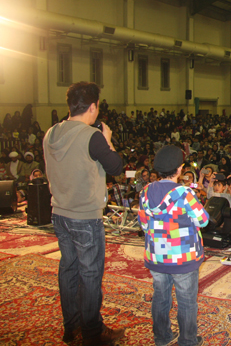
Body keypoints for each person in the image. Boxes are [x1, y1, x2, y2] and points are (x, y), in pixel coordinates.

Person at [43, 82, 124, 346]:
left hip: (59, 212)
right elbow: (116, 167)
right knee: (90, 274)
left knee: (69, 269)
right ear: (93, 107)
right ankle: (92, 333)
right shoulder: (92, 136)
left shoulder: (51, 133)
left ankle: (72, 328)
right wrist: (108, 140)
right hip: (85, 216)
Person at [138, 145, 209, 346]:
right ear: (179, 169)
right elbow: (203, 220)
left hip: (157, 256)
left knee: (160, 297)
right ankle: (187, 340)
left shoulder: (145, 191)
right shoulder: (185, 193)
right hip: (183, 257)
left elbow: (144, 224)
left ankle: (162, 337)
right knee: (186, 301)